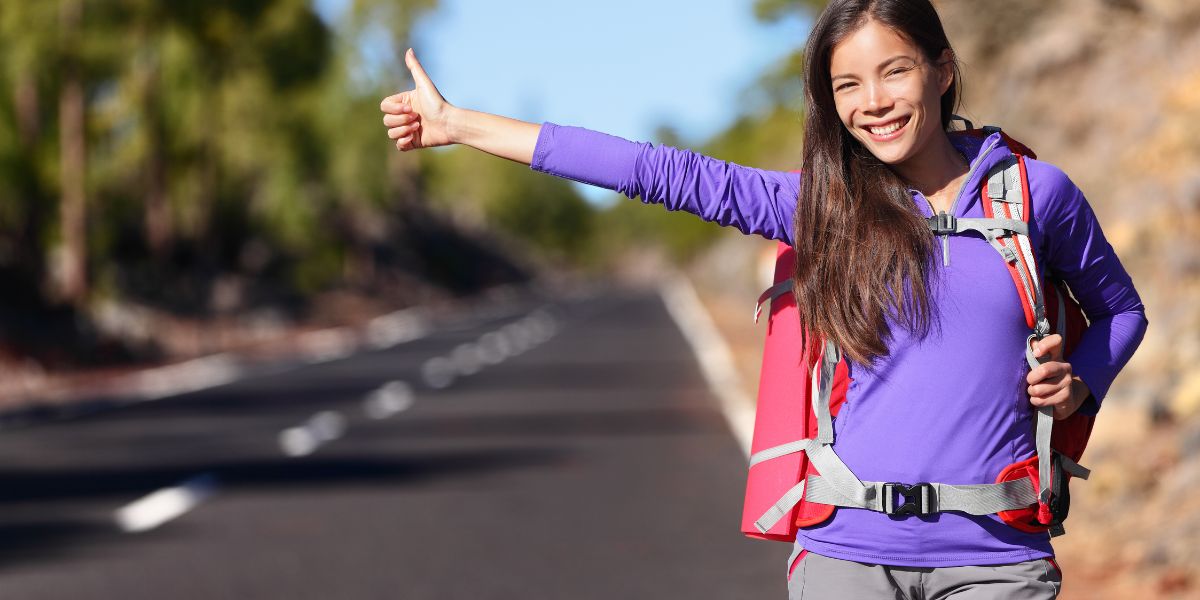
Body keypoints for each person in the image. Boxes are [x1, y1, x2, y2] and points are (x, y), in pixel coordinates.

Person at [379, 0, 1148, 597]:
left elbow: (1121, 312)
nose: (872, 102)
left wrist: (1081, 382)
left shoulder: (1034, 198)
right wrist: (460, 125)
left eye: (895, 72)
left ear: (943, 71)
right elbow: (653, 171)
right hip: (847, 560)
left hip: (997, 560)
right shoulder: (825, 206)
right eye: (847, 84)